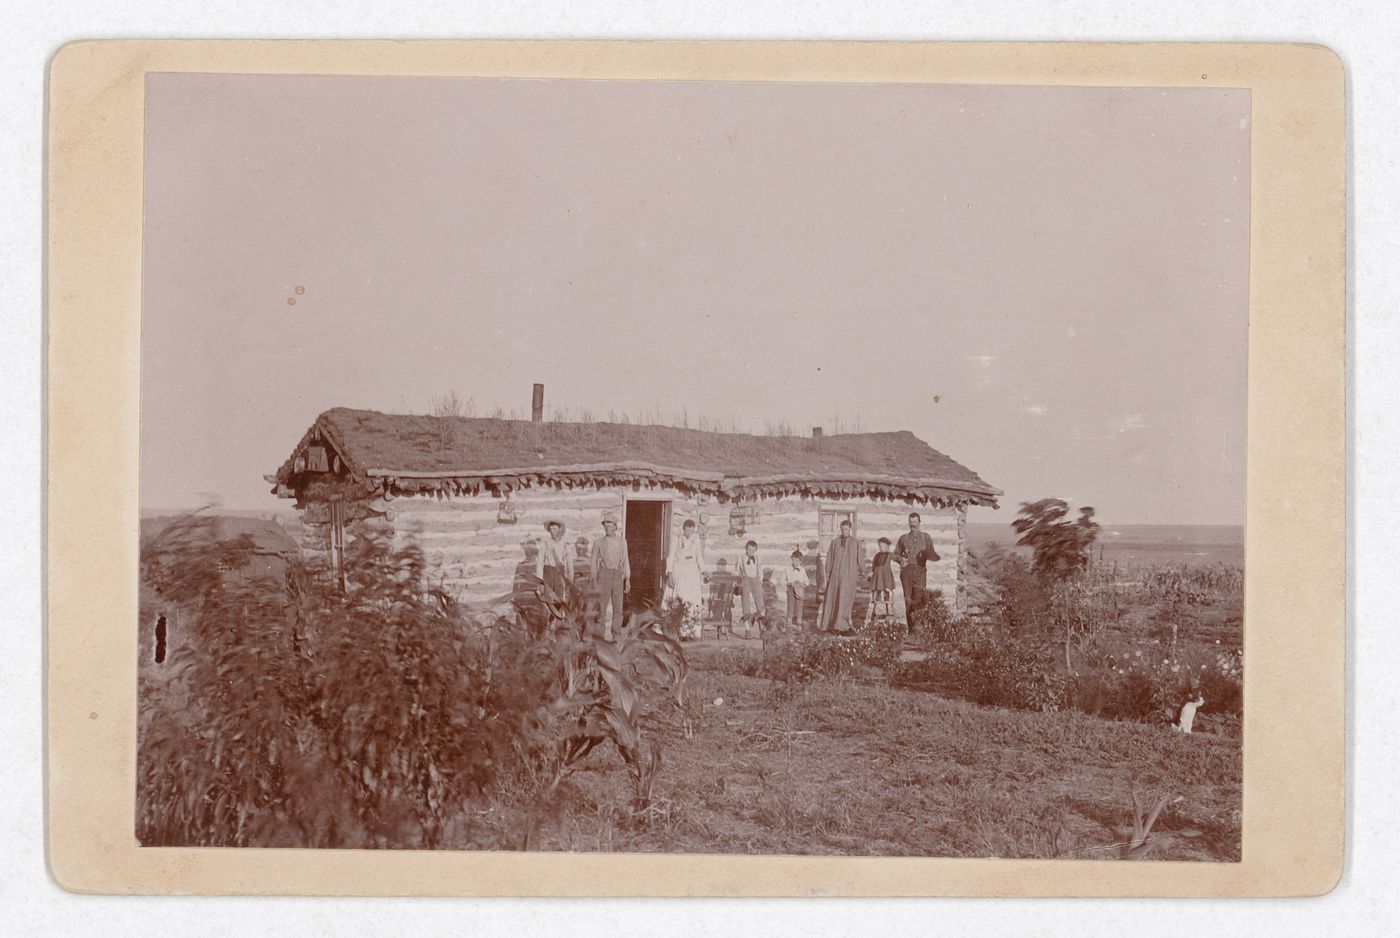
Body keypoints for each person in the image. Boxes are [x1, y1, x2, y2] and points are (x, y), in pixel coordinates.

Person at [590, 515, 630, 641]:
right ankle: (600, 635)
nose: (608, 527)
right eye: (605, 525)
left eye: (610, 525)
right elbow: (593, 562)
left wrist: (627, 578)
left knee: (618, 606)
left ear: (615, 526)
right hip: (603, 574)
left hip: (617, 574)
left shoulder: (622, 542)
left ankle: (616, 634)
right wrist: (594, 579)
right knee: (601, 606)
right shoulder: (598, 542)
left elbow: (625, 561)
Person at [894, 512, 939, 623]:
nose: (912, 524)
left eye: (915, 522)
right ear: (908, 523)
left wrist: (925, 555)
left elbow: (933, 554)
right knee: (908, 600)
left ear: (919, 523)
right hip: (906, 572)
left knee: (919, 600)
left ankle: (919, 630)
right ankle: (911, 630)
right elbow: (895, 554)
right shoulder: (903, 538)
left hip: (920, 571)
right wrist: (900, 560)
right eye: (911, 522)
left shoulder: (925, 537)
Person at [665, 519, 706, 640]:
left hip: (692, 572)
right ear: (683, 529)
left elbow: (699, 557)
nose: (689, 533)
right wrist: (670, 573)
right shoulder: (677, 539)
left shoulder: (696, 540)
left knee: (692, 601)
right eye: (687, 530)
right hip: (680, 571)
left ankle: (689, 632)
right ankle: (676, 631)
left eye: (691, 531)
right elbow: (671, 556)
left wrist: (703, 570)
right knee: (679, 599)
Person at [820, 520, 862, 633]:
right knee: (832, 598)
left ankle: (842, 626)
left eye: (846, 529)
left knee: (845, 600)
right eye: (842, 529)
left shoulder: (856, 543)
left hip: (849, 576)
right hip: (835, 576)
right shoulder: (835, 542)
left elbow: (860, 559)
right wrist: (828, 572)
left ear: (850, 529)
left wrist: (864, 573)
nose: (844, 531)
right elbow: (829, 558)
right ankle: (829, 625)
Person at [534, 520, 571, 601]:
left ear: (559, 529)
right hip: (548, 573)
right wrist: (540, 582)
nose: (552, 532)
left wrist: (569, 581)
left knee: (559, 601)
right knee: (547, 600)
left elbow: (569, 564)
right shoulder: (545, 543)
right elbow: (540, 562)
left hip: (559, 575)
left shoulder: (564, 544)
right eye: (551, 529)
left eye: (554, 529)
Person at [738, 540, 764, 638]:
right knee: (746, 605)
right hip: (746, 581)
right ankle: (747, 630)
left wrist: (760, 582)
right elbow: (737, 570)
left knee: (760, 605)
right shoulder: (741, 558)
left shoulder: (758, 558)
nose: (750, 552)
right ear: (746, 548)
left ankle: (762, 630)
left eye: (753, 550)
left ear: (755, 550)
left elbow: (760, 571)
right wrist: (740, 581)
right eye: (749, 550)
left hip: (756, 581)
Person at [780, 549, 809, 630]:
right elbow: (782, 580)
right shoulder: (787, 569)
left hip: (799, 591)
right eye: (793, 560)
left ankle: (799, 628)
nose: (794, 562)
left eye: (797, 560)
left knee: (799, 609)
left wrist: (801, 583)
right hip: (790, 590)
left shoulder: (802, 570)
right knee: (790, 608)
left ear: (800, 561)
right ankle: (788, 627)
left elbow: (807, 581)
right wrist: (789, 583)